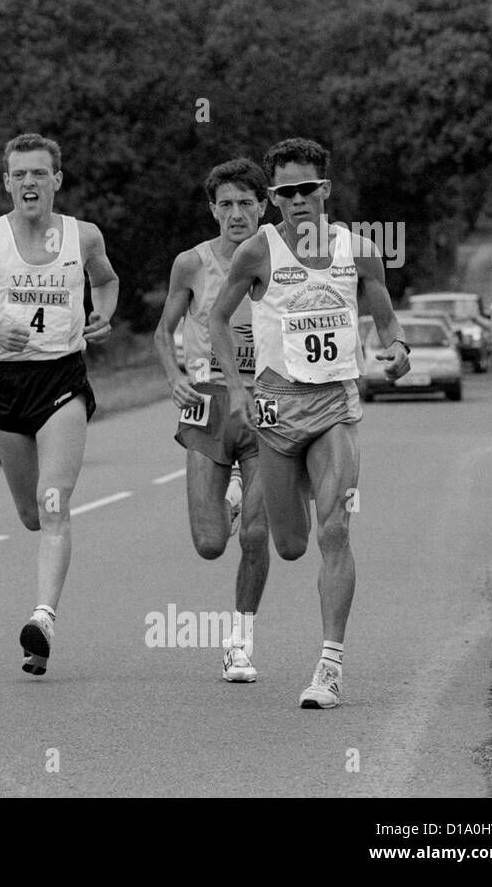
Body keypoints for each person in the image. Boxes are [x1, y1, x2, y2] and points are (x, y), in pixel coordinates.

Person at [208, 137, 410, 709]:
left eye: (305, 189)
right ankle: (244, 490)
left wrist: (398, 352)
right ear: (273, 198)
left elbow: (389, 324)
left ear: (324, 190)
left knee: (335, 532)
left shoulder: (360, 250)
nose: (296, 200)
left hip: (334, 408)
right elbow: (219, 321)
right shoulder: (257, 253)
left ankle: (328, 667)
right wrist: (238, 388)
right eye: (284, 192)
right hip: (274, 411)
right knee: (291, 546)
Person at [0, 132, 119, 675]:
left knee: (53, 502)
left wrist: (102, 314)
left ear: (57, 180)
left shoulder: (83, 237)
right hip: (6, 383)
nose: (29, 183)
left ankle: (42, 620)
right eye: (19, 174)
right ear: (6, 182)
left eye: (39, 173)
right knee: (29, 514)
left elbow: (107, 281)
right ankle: (45, 593)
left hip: (63, 378)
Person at [153, 158, 271, 683]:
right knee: (209, 544)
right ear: (212, 210)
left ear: (263, 207)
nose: (236, 213)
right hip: (205, 401)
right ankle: (232, 495)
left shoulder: (281, 259)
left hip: (267, 402)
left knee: (257, 535)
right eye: (226, 204)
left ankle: (240, 643)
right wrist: (173, 376)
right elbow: (163, 332)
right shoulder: (191, 264)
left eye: (247, 202)